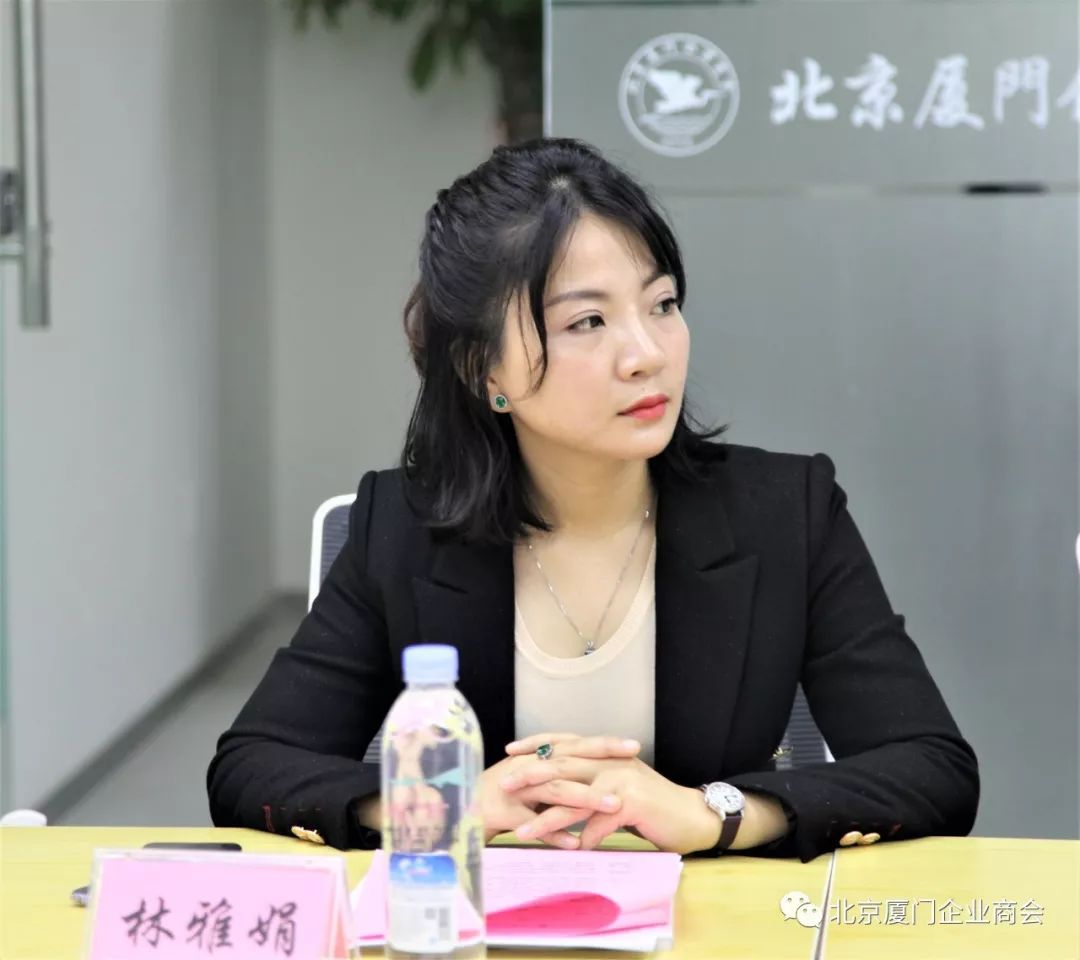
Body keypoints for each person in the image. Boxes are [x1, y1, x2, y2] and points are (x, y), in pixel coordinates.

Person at [206, 137, 979, 863]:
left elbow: (931, 767)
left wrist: (714, 812)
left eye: (662, 304)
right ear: (484, 371)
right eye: (588, 321)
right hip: (486, 926)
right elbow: (253, 764)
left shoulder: (786, 512)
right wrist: (440, 805)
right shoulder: (403, 529)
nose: (646, 353)